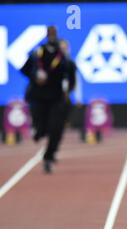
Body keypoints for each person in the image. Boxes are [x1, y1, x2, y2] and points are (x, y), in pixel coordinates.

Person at [20, 26, 74, 174]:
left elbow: (71, 73)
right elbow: (24, 69)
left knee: (55, 128)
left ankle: (48, 157)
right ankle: (38, 131)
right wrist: (36, 76)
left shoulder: (62, 56)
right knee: (41, 127)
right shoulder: (38, 53)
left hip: (56, 97)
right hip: (38, 96)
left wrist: (68, 90)